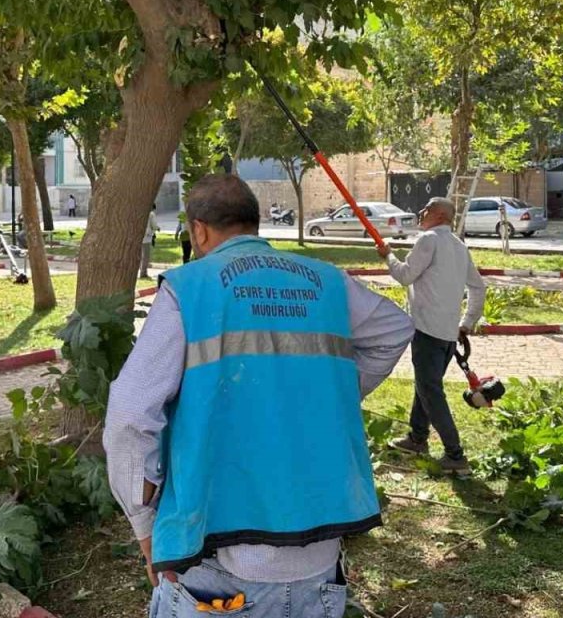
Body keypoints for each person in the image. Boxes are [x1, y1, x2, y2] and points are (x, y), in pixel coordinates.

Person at [104, 175, 413, 618]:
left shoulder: (189, 289)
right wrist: (321, 399)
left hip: (216, 562)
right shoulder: (328, 281)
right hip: (318, 561)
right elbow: (394, 330)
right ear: (256, 223)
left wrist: (142, 520)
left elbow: (131, 414)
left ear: (199, 230)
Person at [378, 197, 486, 478]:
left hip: (427, 330)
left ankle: (455, 455)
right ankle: (417, 438)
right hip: (448, 333)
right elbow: (478, 287)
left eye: (425, 208)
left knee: (430, 392)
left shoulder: (428, 240)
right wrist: (467, 323)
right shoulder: (460, 247)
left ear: (438, 215)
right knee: (426, 385)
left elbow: (404, 275)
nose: (420, 212)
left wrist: (387, 255)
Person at [140, 204, 159, 280]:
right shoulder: (151, 214)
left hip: (138, 238)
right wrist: (157, 229)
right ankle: (143, 272)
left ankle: (141, 271)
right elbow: (154, 225)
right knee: (145, 256)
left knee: (140, 256)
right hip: (146, 238)